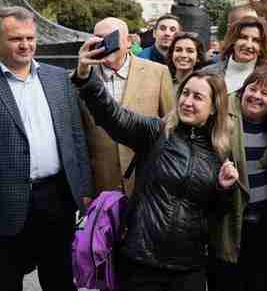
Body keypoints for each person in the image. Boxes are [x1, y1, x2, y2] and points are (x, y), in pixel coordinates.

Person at [73, 40, 239, 291]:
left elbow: (215, 213)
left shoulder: (220, 151)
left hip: (188, 267)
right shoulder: (156, 132)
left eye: (197, 97)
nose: (187, 102)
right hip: (141, 261)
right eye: (185, 93)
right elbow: (114, 116)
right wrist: (86, 78)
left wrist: (224, 188)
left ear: (214, 107)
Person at [0, 7, 93, 291]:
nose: (25, 45)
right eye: (16, 39)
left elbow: (76, 137)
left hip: (57, 198)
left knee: (60, 279)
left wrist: (85, 189)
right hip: (7, 203)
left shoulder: (56, 79)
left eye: (30, 37)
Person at [208, 66, 267, 291]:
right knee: (228, 280)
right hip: (228, 222)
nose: (257, 96)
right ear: (243, 90)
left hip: (264, 224)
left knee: (260, 280)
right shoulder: (221, 120)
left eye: (265, 93)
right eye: (253, 89)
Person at [83, 17, 174, 196]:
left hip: (147, 183)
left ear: (128, 42)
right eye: (98, 38)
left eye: (110, 38)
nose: (104, 44)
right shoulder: (81, 78)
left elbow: (170, 128)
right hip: (102, 185)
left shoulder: (158, 73)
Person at [210, 16, 267, 93]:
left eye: (256, 40)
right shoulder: (209, 73)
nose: (248, 45)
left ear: (262, 47)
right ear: (233, 41)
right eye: (243, 37)